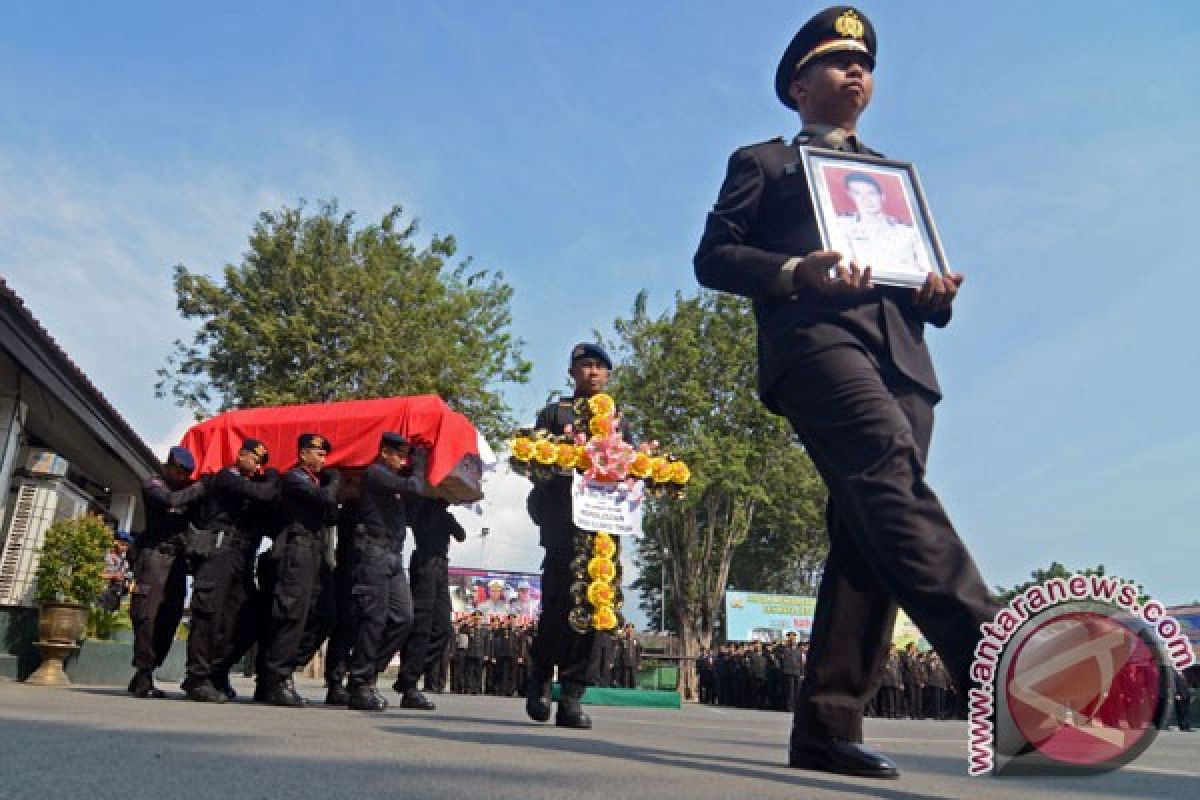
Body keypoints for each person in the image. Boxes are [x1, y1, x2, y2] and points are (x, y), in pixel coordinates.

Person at [694, 6, 996, 779]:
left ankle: (828, 727)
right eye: (836, 63)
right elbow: (715, 256)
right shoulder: (763, 162)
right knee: (886, 473)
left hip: (905, 360)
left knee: (868, 535)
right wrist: (798, 272)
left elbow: (922, 289)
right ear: (798, 86)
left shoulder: (889, 177)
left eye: (864, 65)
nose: (856, 72)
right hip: (815, 343)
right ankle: (998, 657)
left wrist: (936, 292)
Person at [524, 342, 622, 730]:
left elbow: (629, 464)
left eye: (599, 366)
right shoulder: (555, 413)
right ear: (572, 373)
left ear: (609, 375)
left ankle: (573, 696)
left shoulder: (618, 419)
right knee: (557, 609)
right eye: (585, 366)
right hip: (564, 528)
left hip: (602, 534)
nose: (593, 372)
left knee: (596, 614)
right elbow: (532, 460)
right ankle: (540, 679)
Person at [182, 438, 278, 703]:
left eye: (262, 463)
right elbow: (265, 493)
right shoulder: (227, 477)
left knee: (246, 618)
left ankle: (217, 669)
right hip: (219, 552)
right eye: (255, 460)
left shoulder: (250, 485)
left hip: (242, 557)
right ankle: (197, 677)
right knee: (209, 615)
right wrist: (271, 473)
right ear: (241, 454)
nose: (257, 466)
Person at [343, 432, 428, 711]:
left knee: (404, 618)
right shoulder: (375, 473)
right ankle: (359, 682)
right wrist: (420, 460)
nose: (403, 460)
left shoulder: (394, 482)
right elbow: (415, 485)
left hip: (393, 556)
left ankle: (366, 673)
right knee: (374, 619)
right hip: (374, 554)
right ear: (384, 452)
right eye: (399, 455)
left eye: (406, 455)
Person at [257, 433, 340, 707]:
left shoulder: (316, 481)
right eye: (318, 453)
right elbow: (323, 499)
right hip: (296, 551)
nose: (323, 459)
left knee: (323, 615)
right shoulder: (294, 477)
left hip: (315, 553)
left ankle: (282, 670)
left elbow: (331, 514)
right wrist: (335, 481)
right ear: (303, 453)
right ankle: (276, 679)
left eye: (326, 455)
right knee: (291, 614)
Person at [128, 446, 207, 699]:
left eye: (187, 474)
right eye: (180, 471)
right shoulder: (153, 485)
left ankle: (149, 670)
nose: (183, 477)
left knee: (170, 617)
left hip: (177, 561)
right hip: (154, 556)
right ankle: (142, 674)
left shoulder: (187, 492)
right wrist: (199, 487)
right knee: (146, 616)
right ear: (169, 466)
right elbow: (171, 501)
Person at [394, 492, 467, 709]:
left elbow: (461, 535)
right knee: (421, 626)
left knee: (443, 628)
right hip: (425, 565)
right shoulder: (418, 509)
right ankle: (409, 683)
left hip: (441, 567)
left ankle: (413, 673)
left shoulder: (445, 516)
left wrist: (447, 518)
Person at [829, 172, 932, 279]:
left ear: (882, 196)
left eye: (871, 193)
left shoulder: (908, 232)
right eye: (858, 193)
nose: (865, 199)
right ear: (851, 196)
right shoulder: (841, 227)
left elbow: (928, 270)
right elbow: (844, 267)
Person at [100, 531, 133, 612]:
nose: (124, 548)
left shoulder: (125, 562)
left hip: (116, 596)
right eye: (122, 544)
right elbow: (97, 574)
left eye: (126, 545)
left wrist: (128, 583)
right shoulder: (105, 557)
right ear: (115, 542)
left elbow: (126, 577)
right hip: (103, 593)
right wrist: (113, 576)